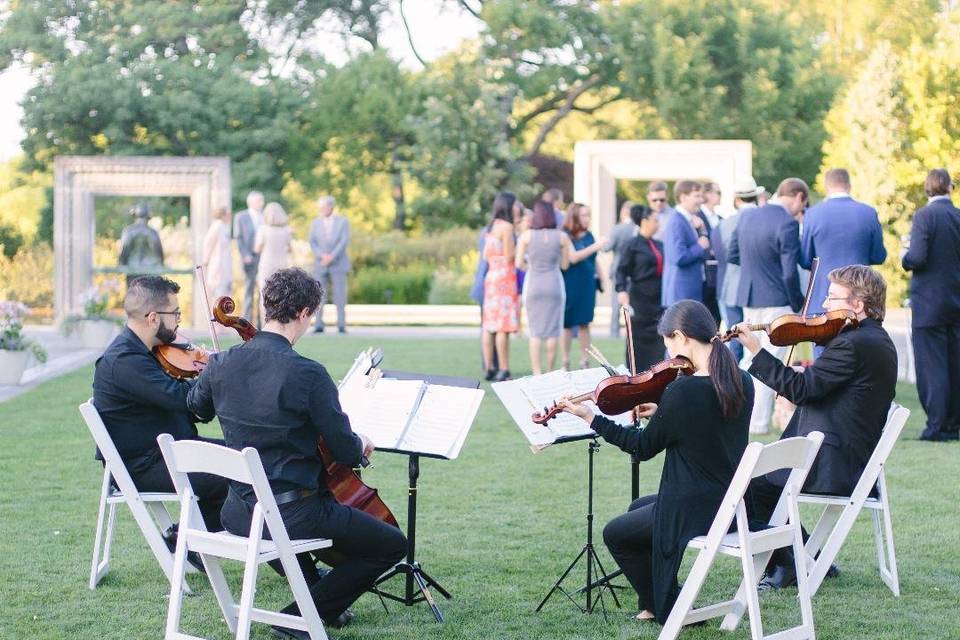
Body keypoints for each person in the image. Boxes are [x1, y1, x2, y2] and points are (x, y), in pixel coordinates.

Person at [187, 268, 406, 636]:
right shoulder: (308, 373)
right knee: (391, 545)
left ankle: (317, 603)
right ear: (305, 313)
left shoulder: (222, 364)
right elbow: (345, 452)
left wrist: (210, 371)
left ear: (265, 306)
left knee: (310, 524)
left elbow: (197, 408)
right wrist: (362, 443)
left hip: (240, 513)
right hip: (293, 514)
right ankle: (299, 616)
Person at [558, 300, 753, 623]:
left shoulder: (683, 391)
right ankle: (654, 599)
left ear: (682, 337)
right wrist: (662, 412)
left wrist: (592, 418)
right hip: (729, 500)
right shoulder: (739, 380)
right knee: (638, 509)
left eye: (669, 343)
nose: (669, 353)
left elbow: (642, 448)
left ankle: (668, 604)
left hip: (696, 506)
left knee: (616, 533)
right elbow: (703, 425)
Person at [731, 265, 898, 589]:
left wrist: (755, 350)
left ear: (858, 304)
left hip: (835, 462)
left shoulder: (851, 344)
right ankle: (806, 556)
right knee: (759, 481)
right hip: (849, 455)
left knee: (749, 484)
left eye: (833, 297)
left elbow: (802, 390)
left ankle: (789, 563)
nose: (824, 305)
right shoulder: (873, 338)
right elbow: (821, 385)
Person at [92, 276, 228, 540]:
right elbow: (183, 399)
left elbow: (189, 408)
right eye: (175, 313)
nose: (179, 320)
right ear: (153, 317)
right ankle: (185, 542)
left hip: (170, 451)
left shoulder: (146, 351)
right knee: (241, 475)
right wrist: (214, 372)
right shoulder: (124, 361)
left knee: (250, 457)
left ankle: (186, 541)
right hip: (144, 466)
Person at [728, 177, 807, 434]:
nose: (800, 212)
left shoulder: (747, 216)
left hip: (750, 298)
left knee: (751, 357)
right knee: (768, 360)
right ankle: (758, 422)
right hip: (777, 301)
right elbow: (788, 273)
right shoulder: (786, 223)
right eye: (802, 205)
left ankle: (737, 413)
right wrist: (799, 303)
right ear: (796, 196)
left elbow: (732, 255)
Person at [801, 168, 886, 357]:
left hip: (825, 298)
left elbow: (806, 259)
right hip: (860, 300)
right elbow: (879, 256)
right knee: (863, 357)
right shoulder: (868, 212)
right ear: (849, 184)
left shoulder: (813, 214)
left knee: (825, 360)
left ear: (826, 186)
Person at [902, 169, 960, 442]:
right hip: (955, 300)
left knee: (932, 366)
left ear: (927, 188)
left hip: (929, 303)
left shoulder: (925, 216)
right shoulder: (957, 215)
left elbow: (918, 257)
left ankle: (936, 425)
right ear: (949, 187)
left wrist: (905, 257)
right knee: (953, 363)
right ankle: (952, 423)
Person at [516, 200, 572, 375]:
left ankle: (536, 372)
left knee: (535, 332)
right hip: (554, 284)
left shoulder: (526, 236)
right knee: (553, 331)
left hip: (534, 284)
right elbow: (564, 265)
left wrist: (531, 266)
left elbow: (519, 263)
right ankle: (549, 370)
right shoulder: (562, 237)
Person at [711, 177, 764, 362]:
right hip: (756, 287)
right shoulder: (761, 220)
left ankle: (733, 379)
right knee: (754, 337)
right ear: (755, 196)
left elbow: (720, 256)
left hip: (729, 287)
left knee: (734, 337)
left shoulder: (723, 224)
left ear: (736, 199)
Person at [616, 204, 665, 371]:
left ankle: (656, 375)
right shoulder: (632, 244)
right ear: (644, 221)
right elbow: (621, 270)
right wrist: (621, 290)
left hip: (658, 299)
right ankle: (636, 375)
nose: (658, 224)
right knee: (637, 342)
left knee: (659, 340)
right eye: (655, 220)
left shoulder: (659, 244)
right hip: (640, 298)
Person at [561, 202, 606, 370]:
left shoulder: (589, 235)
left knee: (585, 322)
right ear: (575, 217)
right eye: (584, 215)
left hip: (587, 284)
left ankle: (584, 360)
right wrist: (596, 246)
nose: (588, 219)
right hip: (570, 282)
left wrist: (601, 277)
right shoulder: (565, 235)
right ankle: (565, 360)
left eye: (589, 215)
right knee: (567, 323)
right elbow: (572, 257)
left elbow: (593, 259)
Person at [481, 192, 520, 381]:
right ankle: (504, 368)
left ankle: (489, 368)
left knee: (489, 325)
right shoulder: (507, 227)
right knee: (502, 326)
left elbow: (484, 256)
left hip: (491, 276)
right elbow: (510, 255)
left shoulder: (492, 226)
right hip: (504, 278)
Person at [662, 180, 709, 306]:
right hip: (681, 293)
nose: (701, 200)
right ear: (683, 197)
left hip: (687, 292)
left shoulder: (687, 220)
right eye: (697, 196)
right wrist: (699, 246)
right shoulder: (677, 221)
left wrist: (700, 229)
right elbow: (678, 257)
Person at [309, 195, 352, 334]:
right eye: (320, 207)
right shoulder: (315, 223)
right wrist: (323, 256)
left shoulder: (343, 221)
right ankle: (319, 324)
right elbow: (312, 242)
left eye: (324, 207)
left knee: (340, 295)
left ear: (331, 206)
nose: (321, 209)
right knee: (319, 295)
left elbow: (344, 241)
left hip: (338, 263)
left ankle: (341, 324)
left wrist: (332, 256)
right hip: (320, 264)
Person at [255, 202, 293, 322]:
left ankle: (265, 322)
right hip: (282, 264)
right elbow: (290, 248)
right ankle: (279, 321)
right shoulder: (286, 231)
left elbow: (257, 249)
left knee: (264, 294)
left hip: (267, 264)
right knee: (281, 294)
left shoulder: (263, 229)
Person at [234, 191, 265, 326]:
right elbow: (239, 238)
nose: (262, 203)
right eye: (259, 200)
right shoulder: (241, 216)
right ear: (251, 202)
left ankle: (260, 323)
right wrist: (245, 255)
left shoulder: (265, 217)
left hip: (264, 259)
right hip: (249, 259)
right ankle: (246, 323)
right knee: (249, 291)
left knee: (263, 292)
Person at [608, 200, 637, 338]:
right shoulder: (637, 228)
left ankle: (614, 332)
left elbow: (607, 247)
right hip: (634, 270)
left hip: (618, 268)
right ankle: (630, 332)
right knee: (632, 302)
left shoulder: (618, 229)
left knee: (616, 303)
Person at [118, 203, 164, 286]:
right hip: (151, 271)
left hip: (133, 269)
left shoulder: (129, 231)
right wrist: (161, 266)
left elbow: (124, 250)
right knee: (151, 297)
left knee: (134, 296)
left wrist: (121, 264)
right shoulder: (152, 232)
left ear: (134, 214)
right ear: (148, 215)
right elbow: (158, 252)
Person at [698, 182, 722, 324]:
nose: (720, 196)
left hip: (719, 275)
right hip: (705, 274)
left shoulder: (720, 219)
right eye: (717, 192)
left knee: (716, 318)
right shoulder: (697, 217)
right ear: (707, 194)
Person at [202, 206, 233, 299]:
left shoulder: (224, 227)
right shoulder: (217, 226)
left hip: (224, 263)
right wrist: (206, 260)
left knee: (224, 291)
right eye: (228, 214)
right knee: (218, 291)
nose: (230, 216)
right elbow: (208, 243)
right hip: (218, 264)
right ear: (223, 215)